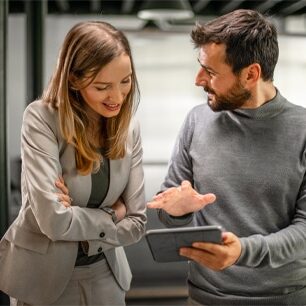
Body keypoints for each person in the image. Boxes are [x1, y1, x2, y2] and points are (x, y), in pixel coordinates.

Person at [147, 9, 306, 305]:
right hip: (204, 297)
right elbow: (167, 207)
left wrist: (242, 252)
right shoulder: (196, 120)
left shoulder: (303, 131)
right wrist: (178, 211)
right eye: (200, 67)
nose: (198, 80)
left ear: (251, 74)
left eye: (210, 72)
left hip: (284, 299)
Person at [0, 21, 146, 306]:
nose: (117, 97)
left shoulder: (130, 128)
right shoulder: (41, 119)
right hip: (42, 280)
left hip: (107, 274)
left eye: (125, 81)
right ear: (74, 80)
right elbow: (53, 221)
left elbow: (138, 222)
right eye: (103, 86)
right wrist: (113, 214)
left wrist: (78, 221)